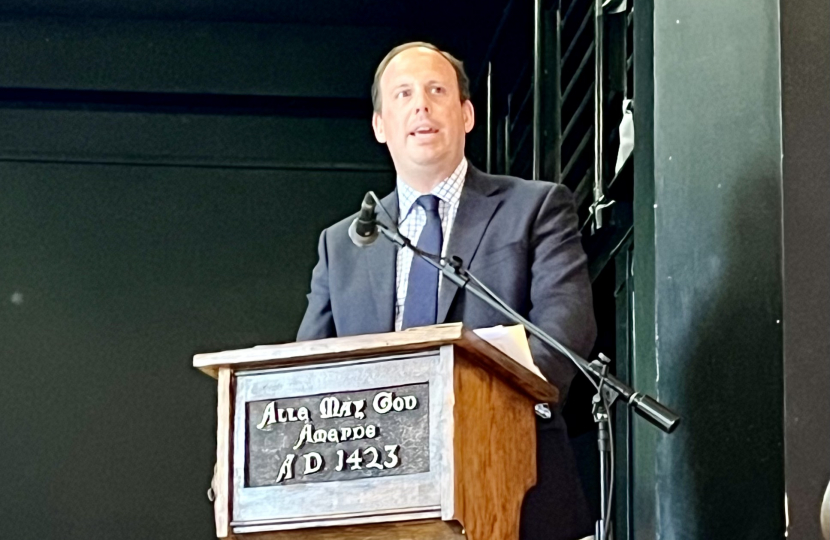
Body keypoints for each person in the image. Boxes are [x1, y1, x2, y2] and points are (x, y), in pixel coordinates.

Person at [297, 42, 597, 540]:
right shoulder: (344, 243)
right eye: (404, 94)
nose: (422, 105)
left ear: (466, 114)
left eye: (437, 90)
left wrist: (482, 412)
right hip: (378, 499)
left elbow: (564, 328)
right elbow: (310, 370)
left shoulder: (535, 207)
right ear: (379, 125)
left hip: (516, 484)